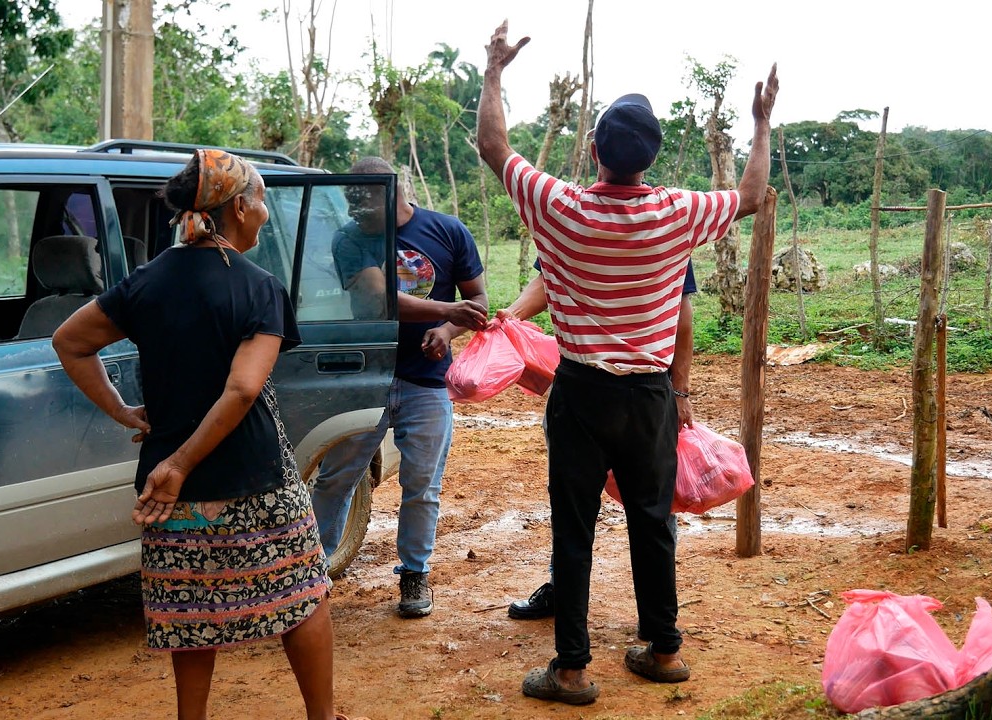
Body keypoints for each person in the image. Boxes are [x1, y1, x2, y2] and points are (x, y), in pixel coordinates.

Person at [478, 20, 777, 705]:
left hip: (580, 388)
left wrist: (494, 71)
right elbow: (754, 197)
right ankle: (663, 650)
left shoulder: (559, 205)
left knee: (574, 527)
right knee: (652, 519)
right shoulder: (678, 213)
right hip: (651, 396)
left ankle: (572, 670)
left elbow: (494, 145)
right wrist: (760, 124)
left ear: (594, 150)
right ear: (652, 159)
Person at [52, 149, 367, 720]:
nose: (266, 214)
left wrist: (127, 414)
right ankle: (322, 716)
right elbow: (243, 391)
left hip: (171, 487)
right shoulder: (257, 287)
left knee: (191, 610)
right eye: (263, 201)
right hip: (254, 475)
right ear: (240, 208)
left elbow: (69, 342)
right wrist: (181, 465)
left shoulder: (146, 282)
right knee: (301, 594)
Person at [312, 156, 488, 619]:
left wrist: (448, 332)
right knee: (336, 478)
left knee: (422, 484)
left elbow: (478, 301)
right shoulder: (350, 238)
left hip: (426, 380)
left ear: (393, 191)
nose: (355, 208)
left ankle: (414, 575)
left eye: (364, 198)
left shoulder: (448, 231)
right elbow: (377, 298)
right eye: (350, 198)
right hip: (364, 376)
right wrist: (445, 313)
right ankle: (312, 574)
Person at [504, 260, 699, 621]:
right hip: (600, 389)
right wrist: (512, 315)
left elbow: (681, 313)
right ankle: (654, 630)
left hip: (629, 389)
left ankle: (642, 626)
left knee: (633, 513)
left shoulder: (664, 222)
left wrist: (681, 391)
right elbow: (548, 278)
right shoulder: (573, 219)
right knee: (631, 511)